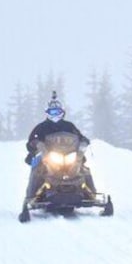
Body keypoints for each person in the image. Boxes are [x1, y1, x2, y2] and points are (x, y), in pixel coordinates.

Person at [19, 93, 95, 222]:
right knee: (37, 170)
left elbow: (79, 136)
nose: (55, 114)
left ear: (62, 112)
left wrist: (84, 141)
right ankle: (31, 197)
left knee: (84, 169)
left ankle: (91, 194)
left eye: (57, 111)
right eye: (52, 111)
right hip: (49, 156)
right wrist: (36, 144)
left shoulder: (69, 126)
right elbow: (32, 140)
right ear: (47, 112)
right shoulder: (41, 127)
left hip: (68, 155)